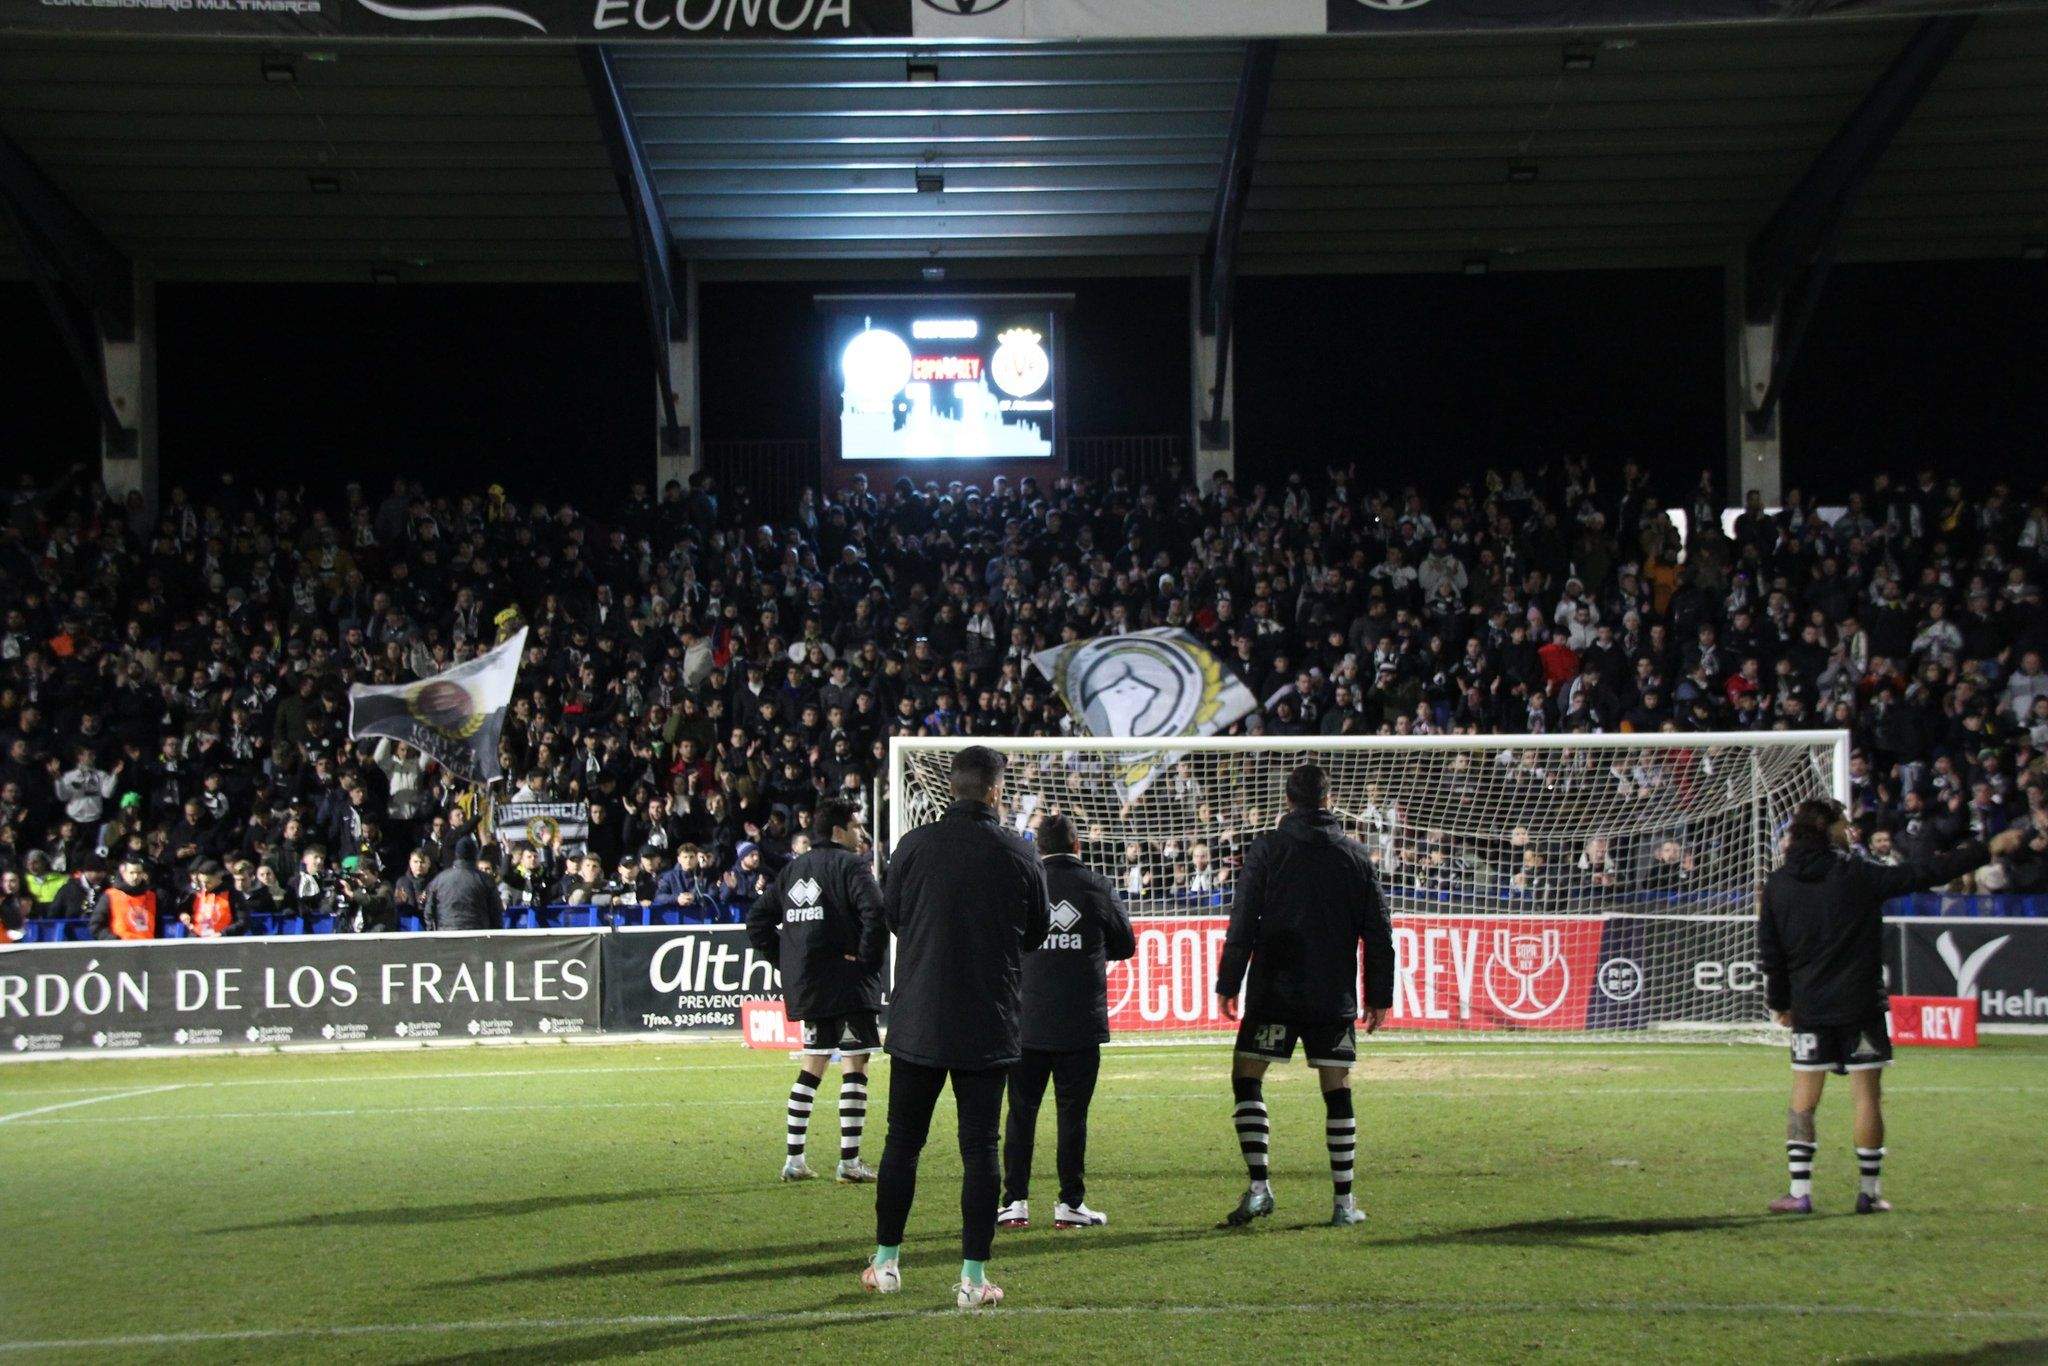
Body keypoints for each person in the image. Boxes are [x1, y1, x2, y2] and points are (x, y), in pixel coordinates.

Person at [1758, 797, 2017, 1214]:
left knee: (1803, 1099)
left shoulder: (1779, 884)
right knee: (1866, 1098)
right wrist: (1984, 850)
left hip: (1811, 1007)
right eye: (1844, 822)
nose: (1851, 830)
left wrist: (1780, 1002)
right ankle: (1869, 1192)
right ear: (1826, 829)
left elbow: (1771, 952)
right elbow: (1923, 872)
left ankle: (1800, 1192)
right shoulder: (1856, 876)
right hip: (1859, 1004)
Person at [864, 745, 1049, 1310]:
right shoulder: (1019, 853)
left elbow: (892, 917)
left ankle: (887, 1263)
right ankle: (972, 1279)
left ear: (952, 788)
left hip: (920, 1018)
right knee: (979, 1150)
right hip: (986, 1022)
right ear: (995, 790)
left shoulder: (914, 846)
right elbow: (1037, 933)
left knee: (902, 1144)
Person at [1214, 760, 1393, 1229]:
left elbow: (1243, 919)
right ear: (1329, 800)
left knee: (1247, 1076)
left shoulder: (1268, 848)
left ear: (1288, 802)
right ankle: (1344, 1202)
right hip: (1332, 992)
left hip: (1275, 987)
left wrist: (1228, 982)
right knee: (1337, 1087)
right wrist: (1380, 994)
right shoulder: (1355, 855)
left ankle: (1259, 1189)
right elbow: (1379, 932)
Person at [997, 813, 1134, 1232]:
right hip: (1078, 1022)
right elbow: (1125, 944)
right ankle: (1070, 1204)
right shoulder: (1096, 886)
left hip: (1026, 1022)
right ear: (1078, 845)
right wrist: (1085, 949)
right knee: (1072, 1115)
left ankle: (1015, 1202)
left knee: (1021, 1113)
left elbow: (1002, 943)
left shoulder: (1020, 883)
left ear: (1038, 847)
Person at [746, 798, 888, 1184]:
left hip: (810, 988)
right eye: (856, 827)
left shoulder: (793, 871)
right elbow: (876, 912)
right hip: (847, 984)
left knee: (812, 1065)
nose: (861, 834)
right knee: (856, 1065)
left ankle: (794, 1159)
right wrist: (865, 962)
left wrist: (790, 964)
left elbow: (757, 921)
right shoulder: (852, 865)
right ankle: (849, 1162)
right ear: (839, 831)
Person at [422, 852, 505, 933]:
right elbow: (496, 911)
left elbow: (429, 911)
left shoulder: (439, 879)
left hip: (447, 933)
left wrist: (432, 932)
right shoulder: (484, 879)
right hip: (477, 934)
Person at [89, 854, 159, 941]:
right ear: (124, 874)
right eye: (132, 873)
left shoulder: (151, 896)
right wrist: (113, 940)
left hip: (149, 947)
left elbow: (158, 925)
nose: (135, 876)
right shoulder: (111, 895)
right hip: (122, 948)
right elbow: (95, 925)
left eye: (139, 873)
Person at [179, 860, 246, 938]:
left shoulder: (233, 894)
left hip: (223, 941)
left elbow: (243, 922)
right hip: (197, 939)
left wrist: (223, 933)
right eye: (201, 882)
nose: (204, 886)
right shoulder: (195, 894)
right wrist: (183, 915)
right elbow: (181, 909)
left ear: (218, 876)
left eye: (208, 882)